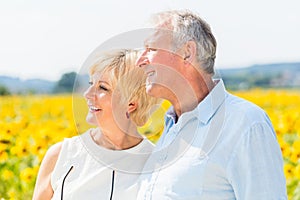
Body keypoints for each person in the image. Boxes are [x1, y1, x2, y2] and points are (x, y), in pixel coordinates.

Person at [136, 10, 287, 199]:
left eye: (151, 49)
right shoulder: (171, 126)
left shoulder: (246, 124)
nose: (139, 61)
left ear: (186, 52)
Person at [33, 49, 159, 200]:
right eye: (91, 83)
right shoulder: (61, 154)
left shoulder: (155, 164)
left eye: (102, 88)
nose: (87, 94)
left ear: (131, 103)